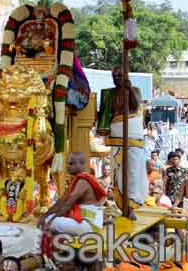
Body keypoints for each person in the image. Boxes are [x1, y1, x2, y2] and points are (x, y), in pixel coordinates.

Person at [97, 67, 147, 207]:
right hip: (117, 131)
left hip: (132, 130)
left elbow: (136, 104)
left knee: (133, 168)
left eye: (119, 75)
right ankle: (122, 202)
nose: (116, 78)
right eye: (114, 76)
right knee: (117, 168)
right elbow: (104, 115)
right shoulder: (109, 94)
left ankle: (132, 201)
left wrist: (128, 88)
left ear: (125, 75)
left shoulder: (134, 90)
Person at [40, 152, 107, 235]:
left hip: (90, 225)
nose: (68, 166)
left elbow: (67, 205)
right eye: (68, 163)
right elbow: (61, 202)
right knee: (48, 218)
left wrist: (50, 222)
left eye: (71, 163)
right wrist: (44, 216)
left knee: (53, 222)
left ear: (81, 164)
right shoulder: (77, 180)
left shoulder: (83, 181)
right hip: (83, 221)